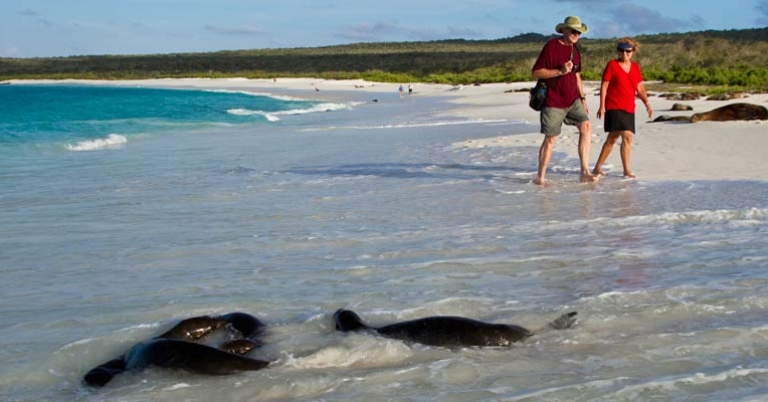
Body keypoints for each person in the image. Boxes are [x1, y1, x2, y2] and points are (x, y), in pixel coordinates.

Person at [531, 16, 597, 185]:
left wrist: (582, 98)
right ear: (564, 30)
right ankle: (540, 177)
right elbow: (536, 73)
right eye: (574, 31)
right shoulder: (551, 47)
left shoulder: (575, 51)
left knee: (586, 126)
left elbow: (577, 75)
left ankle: (584, 171)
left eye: (579, 32)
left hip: (573, 99)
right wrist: (559, 72)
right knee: (551, 137)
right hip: (553, 100)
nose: (577, 35)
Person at [593, 38, 653, 178]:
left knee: (612, 137)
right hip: (613, 105)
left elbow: (640, 88)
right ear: (618, 51)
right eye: (621, 50)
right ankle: (626, 170)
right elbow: (604, 86)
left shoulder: (636, 67)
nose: (624, 53)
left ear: (633, 51)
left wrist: (647, 103)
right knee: (627, 136)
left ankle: (597, 167)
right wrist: (601, 105)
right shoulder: (612, 65)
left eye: (627, 51)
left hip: (629, 107)